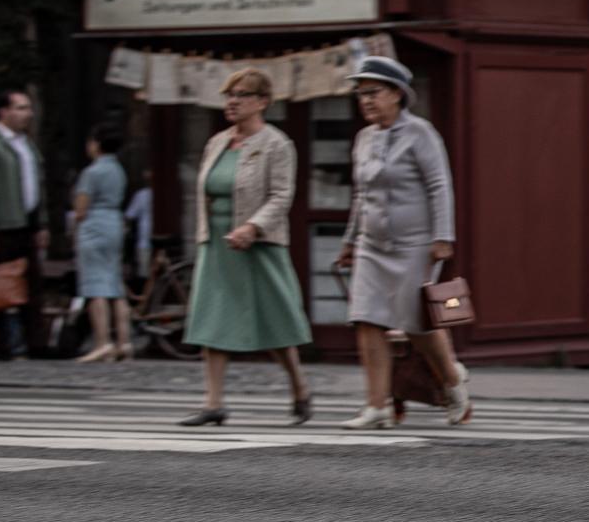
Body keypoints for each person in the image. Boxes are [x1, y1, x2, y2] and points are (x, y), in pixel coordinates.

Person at [335, 55, 469, 429]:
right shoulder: (364, 138)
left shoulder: (420, 132)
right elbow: (361, 195)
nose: (366, 100)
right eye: (361, 94)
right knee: (367, 319)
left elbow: (439, 185)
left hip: (415, 244)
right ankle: (376, 405)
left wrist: (443, 237)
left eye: (373, 92)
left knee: (417, 322)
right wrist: (349, 241)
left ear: (397, 94)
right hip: (372, 245)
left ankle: (454, 382)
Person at [178, 67, 313, 426]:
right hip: (218, 242)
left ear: (263, 102)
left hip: (258, 243)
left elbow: (282, 195)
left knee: (275, 321)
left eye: (242, 95)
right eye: (229, 95)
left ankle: (300, 388)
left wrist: (252, 227)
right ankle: (214, 402)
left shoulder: (276, 144)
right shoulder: (218, 142)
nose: (232, 102)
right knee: (213, 318)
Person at [0, 90, 48, 360]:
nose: (28, 113)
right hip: (2, 224)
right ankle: (1, 346)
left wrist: (41, 223)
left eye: (28, 108)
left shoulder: (26, 143)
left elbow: (37, 184)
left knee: (32, 286)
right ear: (4, 112)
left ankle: (37, 344)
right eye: (21, 108)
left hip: (26, 222)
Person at [72, 125, 131, 363]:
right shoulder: (118, 170)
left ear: (96, 144)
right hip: (114, 223)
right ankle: (124, 342)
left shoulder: (92, 172)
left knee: (95, 286)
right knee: (115, 285)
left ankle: (102, 341)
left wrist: (75, 225)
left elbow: (80, 208)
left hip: (95, 225)